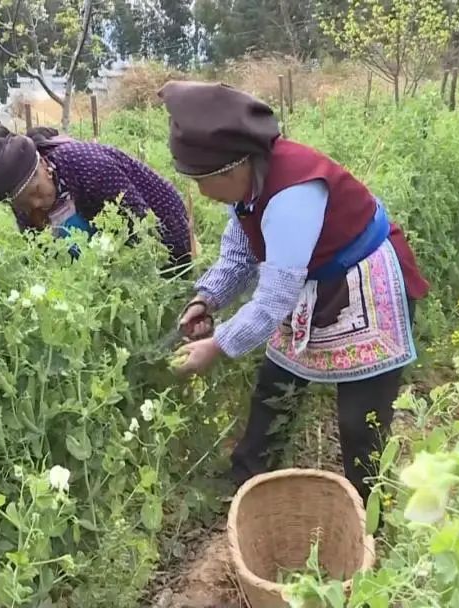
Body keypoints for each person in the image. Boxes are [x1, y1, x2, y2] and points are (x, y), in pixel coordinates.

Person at [158, 81, 429, 507]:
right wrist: (205, 300)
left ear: (232, 168)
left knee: (361, 420)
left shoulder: (292, 195)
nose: (201, 194)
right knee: (276, 386)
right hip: (312, 282)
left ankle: (368, 509)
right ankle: (246, 484)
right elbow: (239, 254)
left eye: (200, 181)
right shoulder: (249, 190)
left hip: (363, 282)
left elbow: (271, 302)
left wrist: (218, 345)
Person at [0, 124, 193, 270]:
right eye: (24, 203)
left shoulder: (85, 164)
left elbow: (143, 227)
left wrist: (130, 273)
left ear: (42, 164)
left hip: (160, 223)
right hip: (102, 246)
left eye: (37, 191)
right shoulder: (22, 204)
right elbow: (43, 254)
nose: (37, 204)